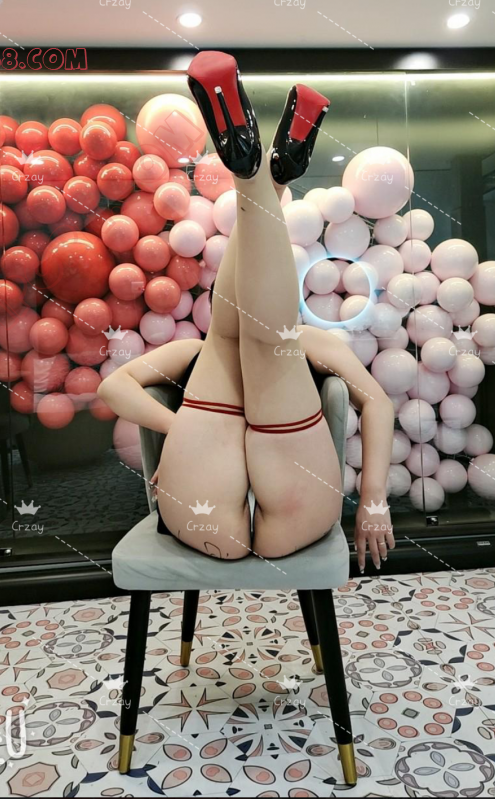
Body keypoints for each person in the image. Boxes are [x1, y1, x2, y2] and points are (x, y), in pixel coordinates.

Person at [99, 51, 395, 572]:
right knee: (268, 342)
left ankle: (261, 176)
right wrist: (373, 498)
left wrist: (180, 429)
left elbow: (112, 388)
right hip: (291, 463)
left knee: (238, 338)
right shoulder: (310, 342)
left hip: (207, 459)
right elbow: (378, 403)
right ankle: (261, 177)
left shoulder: (197, 350)